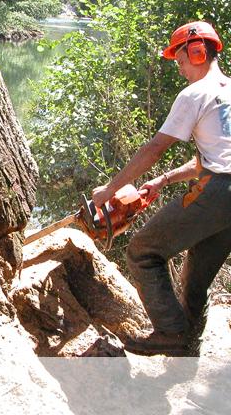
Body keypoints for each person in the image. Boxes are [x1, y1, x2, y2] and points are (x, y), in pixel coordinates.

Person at [92, 21, 231, 356]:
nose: (178, 65)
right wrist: (164, 180)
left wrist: (110, 189)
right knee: (197, 275)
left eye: (180, 58)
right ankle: (187, 345)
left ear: (198, 52)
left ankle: (170, 334)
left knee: (143, 251)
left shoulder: (195, 94)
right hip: (224, 189)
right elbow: (216, 156)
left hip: (218, 192)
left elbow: (155, 148)